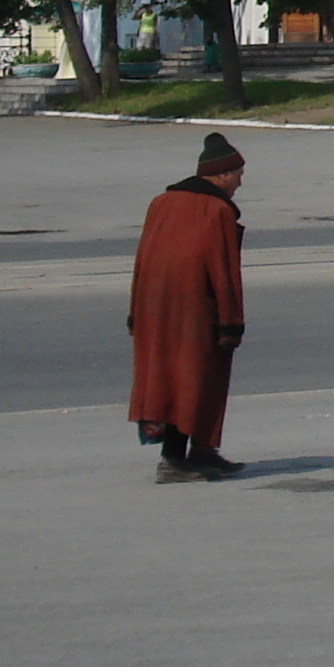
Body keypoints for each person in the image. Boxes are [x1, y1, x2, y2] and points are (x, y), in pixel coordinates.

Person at [127, 132, 251, 481]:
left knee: (168, 377)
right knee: (192, 379)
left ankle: (202, 451)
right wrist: (231, 322)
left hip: (153, 307)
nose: (240, 184)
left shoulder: (161, 203)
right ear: (223, 175)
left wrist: (135, 311)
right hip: (196, 311)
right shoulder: (217, 211)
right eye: (238, 176)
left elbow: (142, 259)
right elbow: (223, 270)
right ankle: (173, 459)